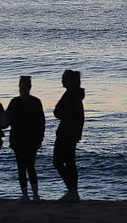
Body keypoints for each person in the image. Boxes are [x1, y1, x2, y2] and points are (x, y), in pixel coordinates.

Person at [6, 76, 45, 202]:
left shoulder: (15, 102)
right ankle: (35, 195)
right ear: (30, 87)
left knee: (21, 167)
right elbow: (41, 122)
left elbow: (7, 119)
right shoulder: (36, 102)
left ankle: (25, 195)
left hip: (18, 138)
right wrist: (40, 138)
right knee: (31, 166)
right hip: (32, 138)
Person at [53, 69, 85, 202]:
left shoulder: (71, 94)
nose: (62, 80)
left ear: (71, 80)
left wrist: (62, 115)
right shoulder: (74, 94)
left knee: (59, 161)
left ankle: (72, 190)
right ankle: (73, 191)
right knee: (69, 162)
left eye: (64, 78)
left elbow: (59, 111)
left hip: (67, 132)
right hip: (71, 132)